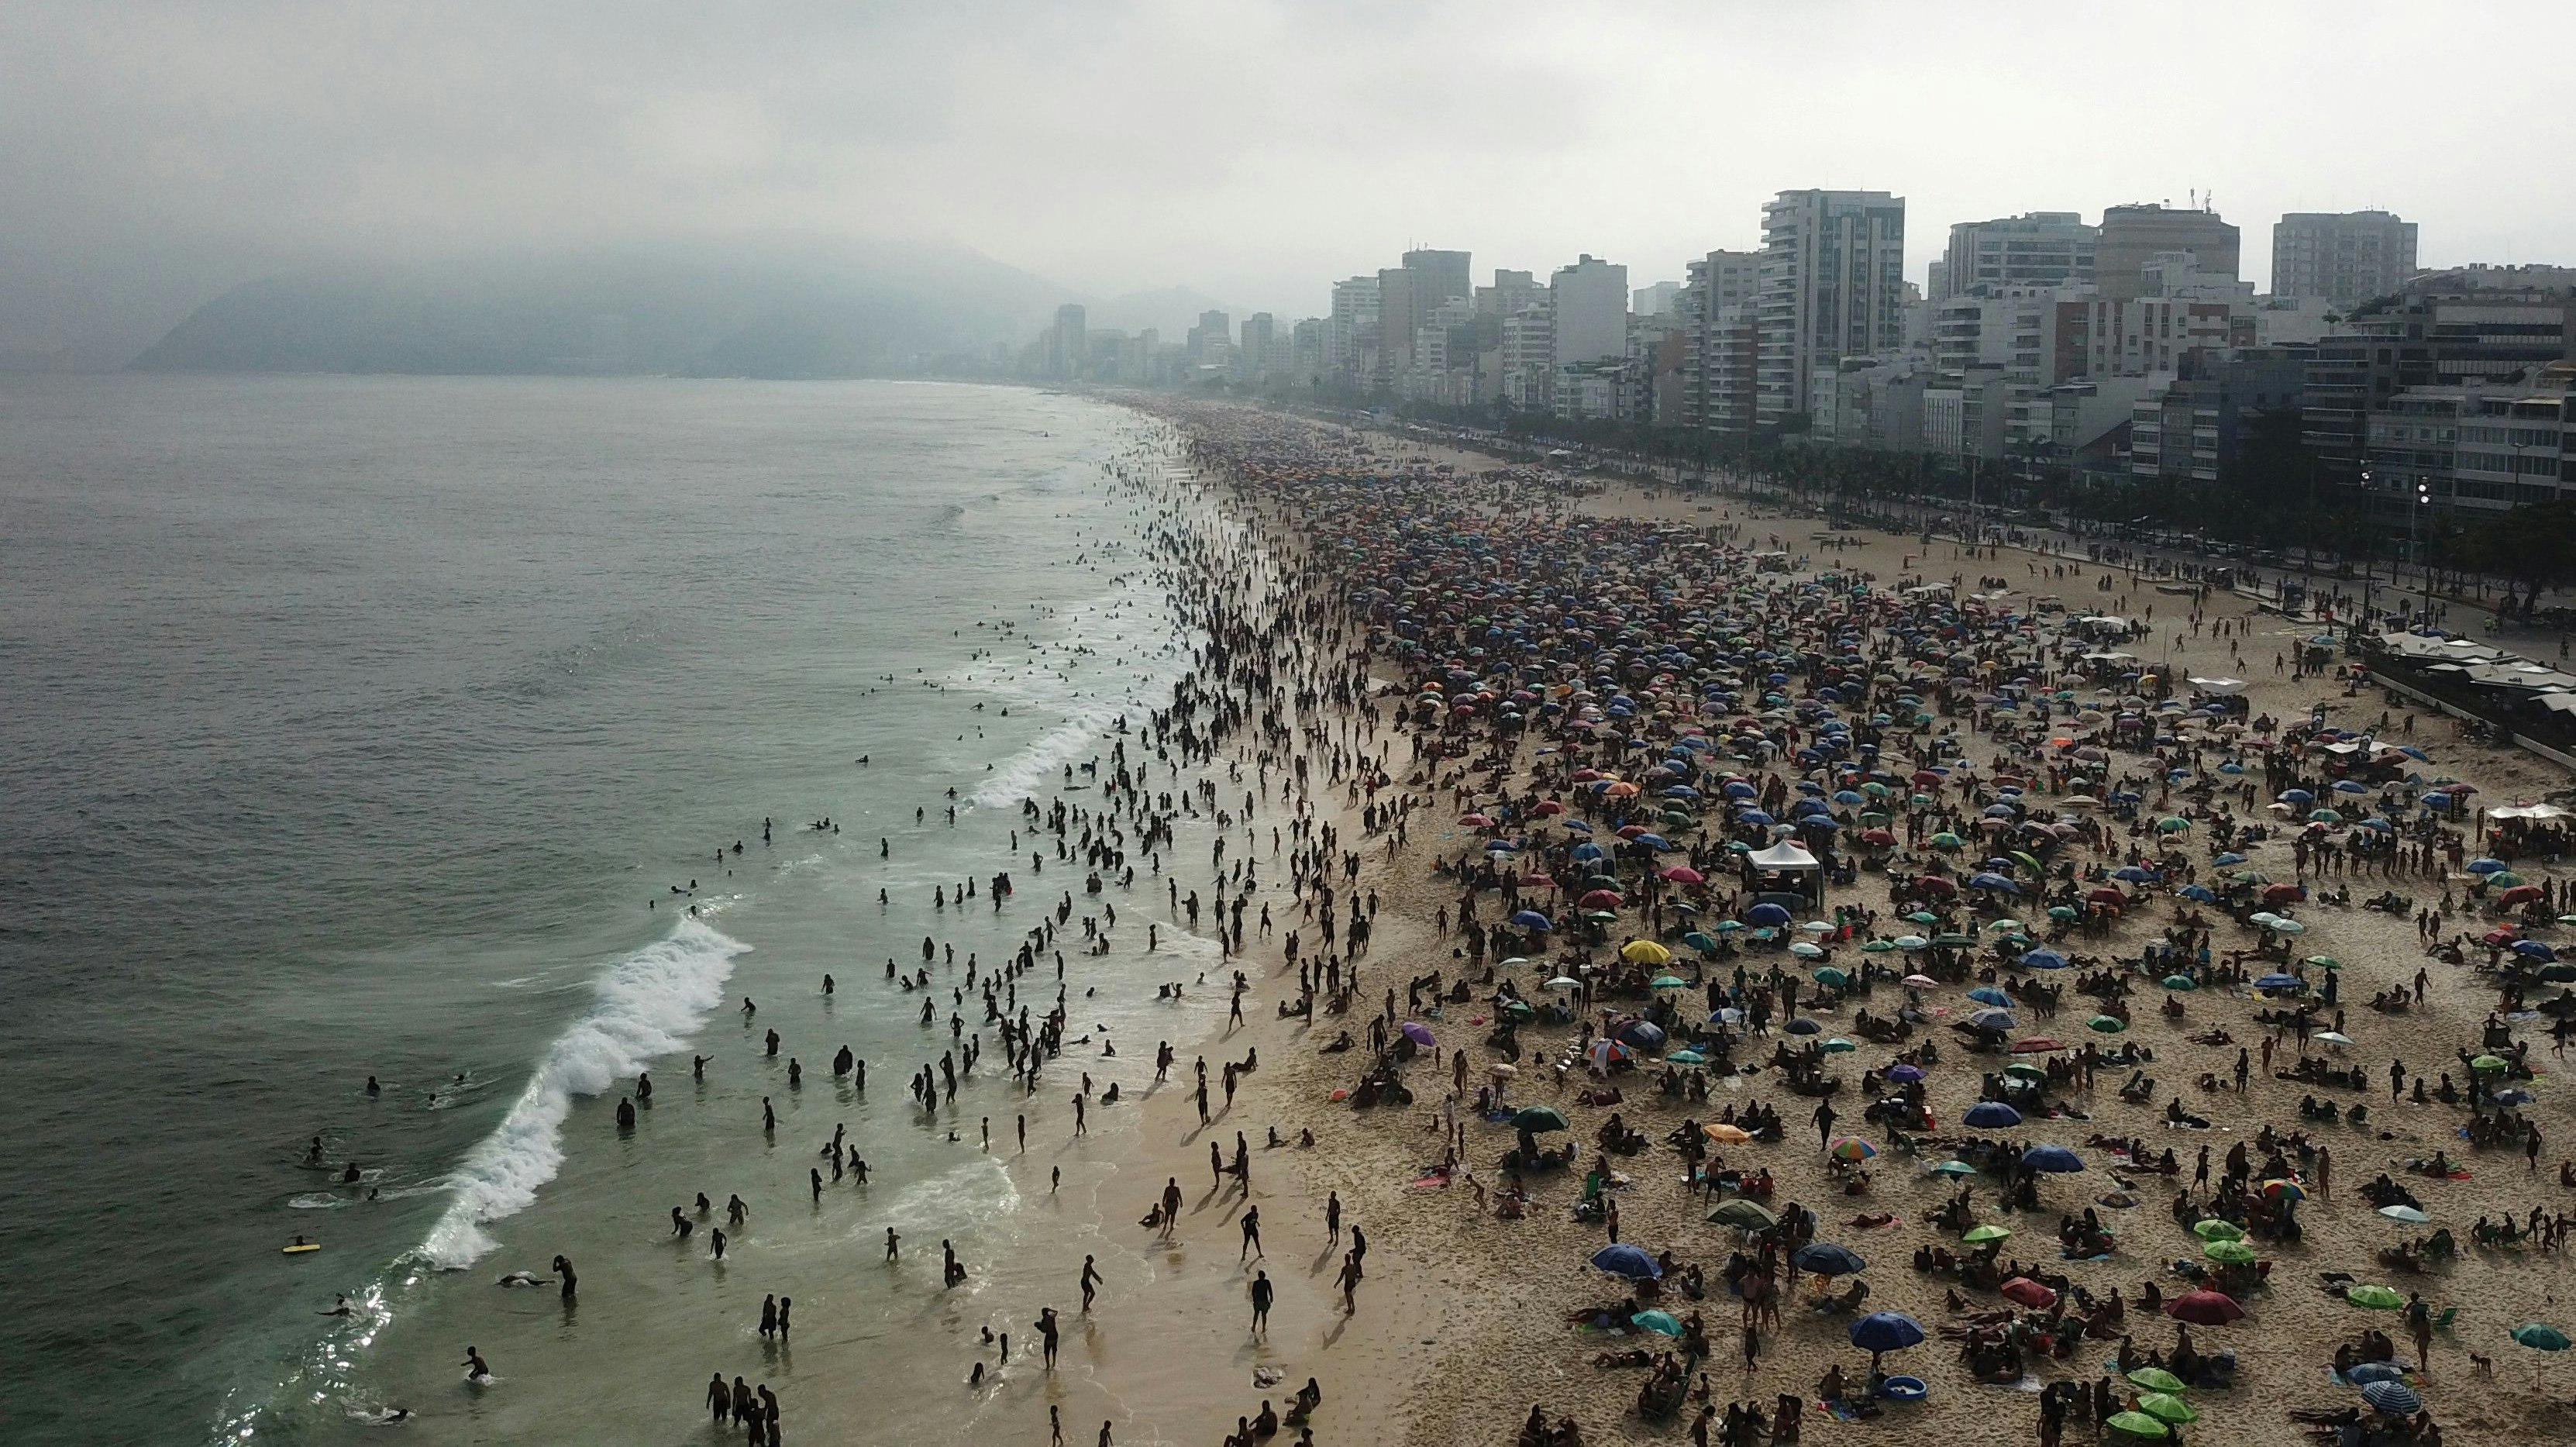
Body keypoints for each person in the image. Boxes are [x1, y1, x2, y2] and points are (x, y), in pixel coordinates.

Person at [1250, 1269, 1274, 1334]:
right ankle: (1263, 1328)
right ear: (1264, 1276)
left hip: (1258, 1302)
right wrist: (1271, 1298)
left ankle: (1253, 1327)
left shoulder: (1256, 1283)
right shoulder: (1267, 1282)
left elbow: (1253, 1293)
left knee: (1256, 1314)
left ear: (1258, 1276)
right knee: (1264, 1315)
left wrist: (1255, 1300)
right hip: (1264, 1302)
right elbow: (1270, 1291)